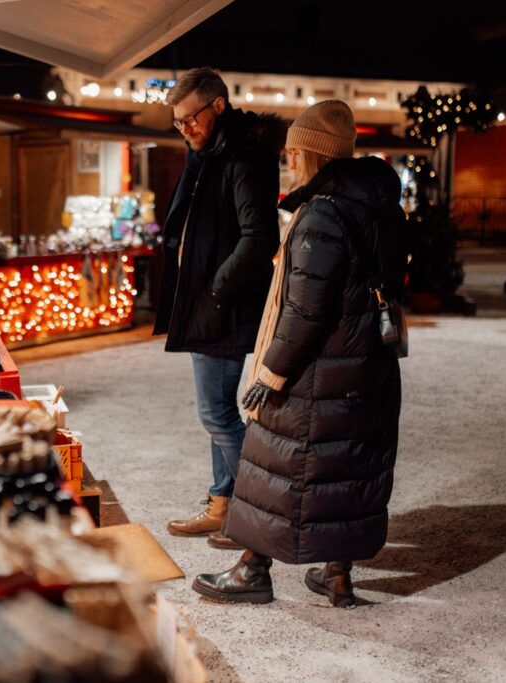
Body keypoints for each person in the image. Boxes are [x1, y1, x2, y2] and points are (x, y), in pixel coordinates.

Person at [192, 100, 407, 606]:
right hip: (368, 367)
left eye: (294, 151)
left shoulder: (320, 216)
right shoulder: (384, 209)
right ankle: (336, 574)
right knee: (347, 469)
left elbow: (304, 313)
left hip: (318, 372)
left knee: (271, 463)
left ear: (314, 153)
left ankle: (251, 569)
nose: (288, 160)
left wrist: (270, 373)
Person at [154, 67, 285, 547]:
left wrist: (215, 290)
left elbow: (259, 237)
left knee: (215, 415)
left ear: (219, 106)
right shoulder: (209, 154)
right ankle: (223, 506)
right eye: (177, 123)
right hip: (205, 299)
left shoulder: (243, 156)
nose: (185, 129)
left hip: (221, 303)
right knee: (218, 412)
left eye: (190, 119)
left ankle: (265, 506)